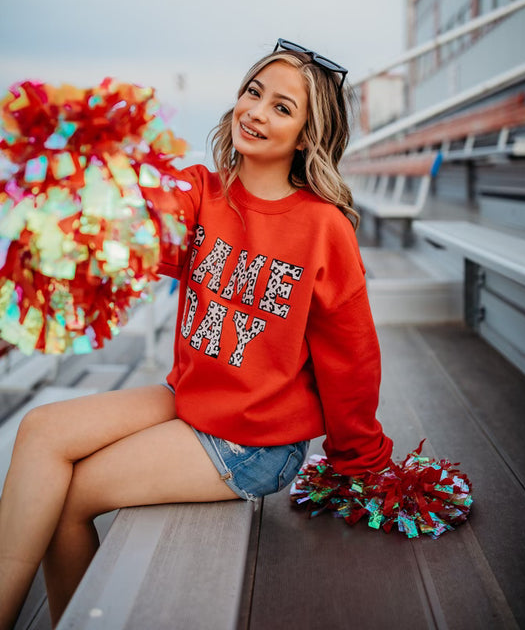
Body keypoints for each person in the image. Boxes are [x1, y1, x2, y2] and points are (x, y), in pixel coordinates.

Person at [0, 39, 393, 629]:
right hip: (193, 401)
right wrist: (82, 200)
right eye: (253, 92)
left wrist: (359, 462)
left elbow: (352, 357)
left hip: (258, 442)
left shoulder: (324, 228)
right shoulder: (200, 190)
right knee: (39, 429)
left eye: (283, 107)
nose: (257, 112)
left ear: (309, 135)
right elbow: (143, 230)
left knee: (69, 496)